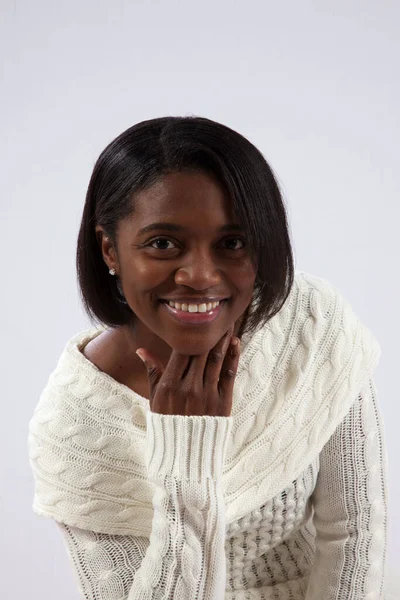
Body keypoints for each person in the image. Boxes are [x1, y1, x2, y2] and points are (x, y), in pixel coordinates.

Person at [28, 116, 388, 599]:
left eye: (232, 243)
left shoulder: (311, 325)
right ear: (110, 250)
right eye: (162, 243)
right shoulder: (73, 430)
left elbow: (354, 535)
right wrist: (186, 455)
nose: (199, 274)